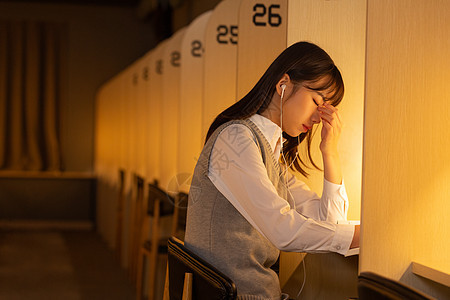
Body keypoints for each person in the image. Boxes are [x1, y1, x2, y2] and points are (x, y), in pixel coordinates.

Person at [184, 41, 360, 300]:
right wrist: (359, 236)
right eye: (316, 102)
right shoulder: (235, 140)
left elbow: (331, 223)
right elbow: (282, 230)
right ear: (283, 85)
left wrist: (329, 151)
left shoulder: (270, 155)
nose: (317, 117)